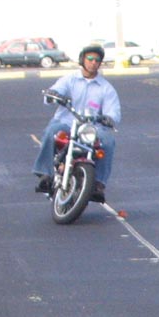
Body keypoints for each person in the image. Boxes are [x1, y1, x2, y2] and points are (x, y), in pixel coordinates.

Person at [33, 44, 121, 201]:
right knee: (51, 132)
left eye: (97, 60)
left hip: (91, 128)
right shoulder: (69, 80)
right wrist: (53, 95)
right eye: (90, 58)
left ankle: (98, 184)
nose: (93, 62)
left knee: (108, 141)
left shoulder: (106, 88)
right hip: (66, 123)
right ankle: (44, 174)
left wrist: (109, 118)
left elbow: (114, 112)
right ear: (82, 60)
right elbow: (53, 93)